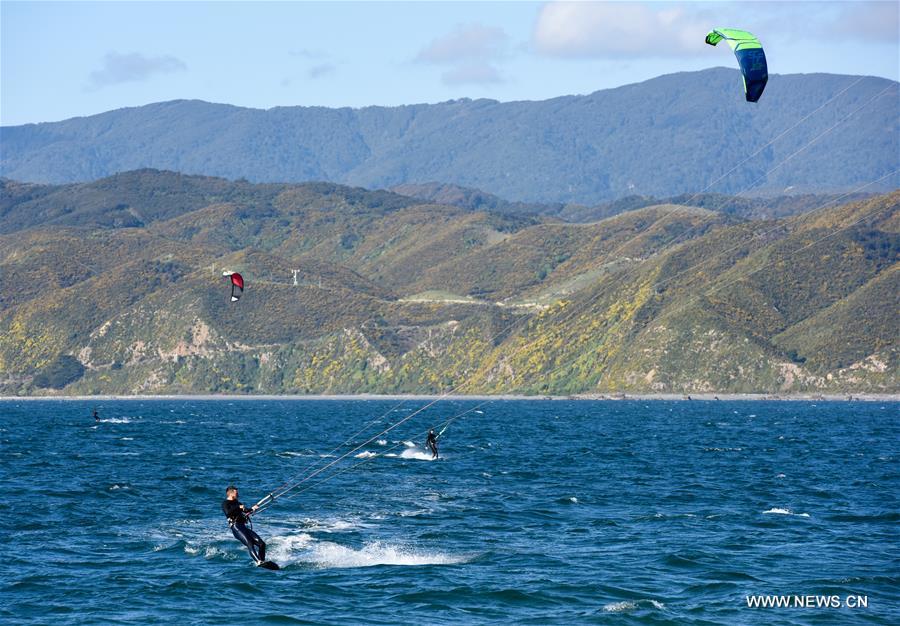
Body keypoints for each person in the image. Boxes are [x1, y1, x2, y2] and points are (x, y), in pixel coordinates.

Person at [222, 486, 266, 564]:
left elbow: (245, 511)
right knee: (250, 543)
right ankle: (258, 561)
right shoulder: (225, 503)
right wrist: (238, 507)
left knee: (262, 544)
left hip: (243, 527)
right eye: (236, 493)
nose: (238, 494)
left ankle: (263, 561)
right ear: (231, 493)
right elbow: (228, 513)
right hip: (236, 527)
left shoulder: (238, 503)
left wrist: (252, 509)